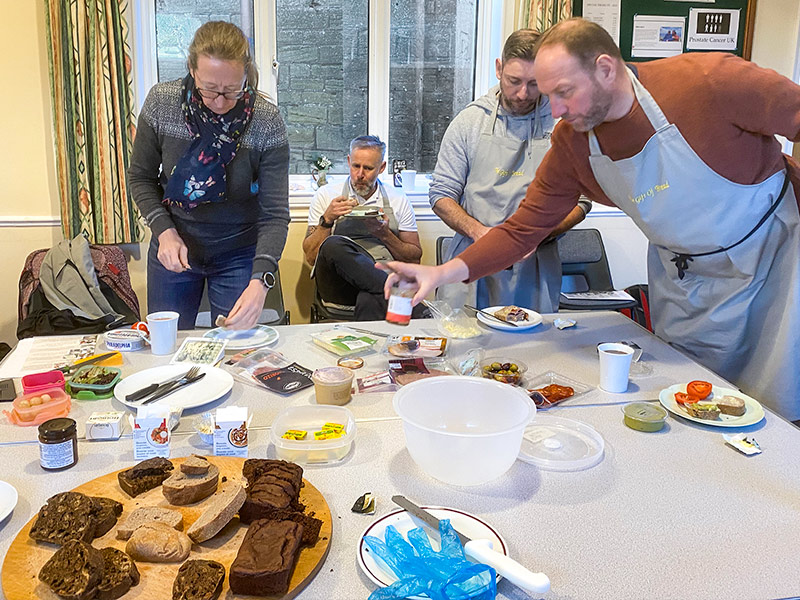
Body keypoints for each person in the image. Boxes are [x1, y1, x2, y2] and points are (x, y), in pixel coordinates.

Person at [382, 18, 800, 420]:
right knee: (689, 396)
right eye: (550, 96)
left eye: (564, 92)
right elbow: (521, 231)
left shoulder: (709, 81)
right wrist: (439, 274)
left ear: (604, 68)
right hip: (685, 279)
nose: (557, 111)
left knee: (776, 400)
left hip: (775, 260)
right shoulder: (573, 144)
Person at [129, 21, 289, 330]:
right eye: (210, 90)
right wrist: (164, 231)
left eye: (232, 92)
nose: (219, 103)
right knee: (168, 349)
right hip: (173, 246)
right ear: (191, 68)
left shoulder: (266, 121)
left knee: (238, 352)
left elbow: (274, 214)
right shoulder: (163, 103)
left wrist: (261, 280)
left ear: (246, 75)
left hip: (239, 254)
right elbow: (140, 177)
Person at [430, 28, 591, 312]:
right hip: (473, 260)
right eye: (514, 81)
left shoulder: (564, 126)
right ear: (498, 68)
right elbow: (441, 195)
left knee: (534, 351)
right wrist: (479, 232)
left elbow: (582, 201)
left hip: (535, 266)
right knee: (466, 349)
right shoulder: (469, 123)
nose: (522, 94)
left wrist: (543, 233)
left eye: (534, 83)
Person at [303, 135, 426, 320]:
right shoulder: (325, 195)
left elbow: (414, 258)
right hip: (338, 284)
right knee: (334, 244)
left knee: (370, 299)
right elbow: (311, 257)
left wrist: (384, 235)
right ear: (348, 162)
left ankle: (374, 347)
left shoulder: (397, 199)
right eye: (355, 166)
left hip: (379, 276)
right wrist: (327, 220)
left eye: (368, 168)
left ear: (382, 168)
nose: (360, 174)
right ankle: (413, 308)